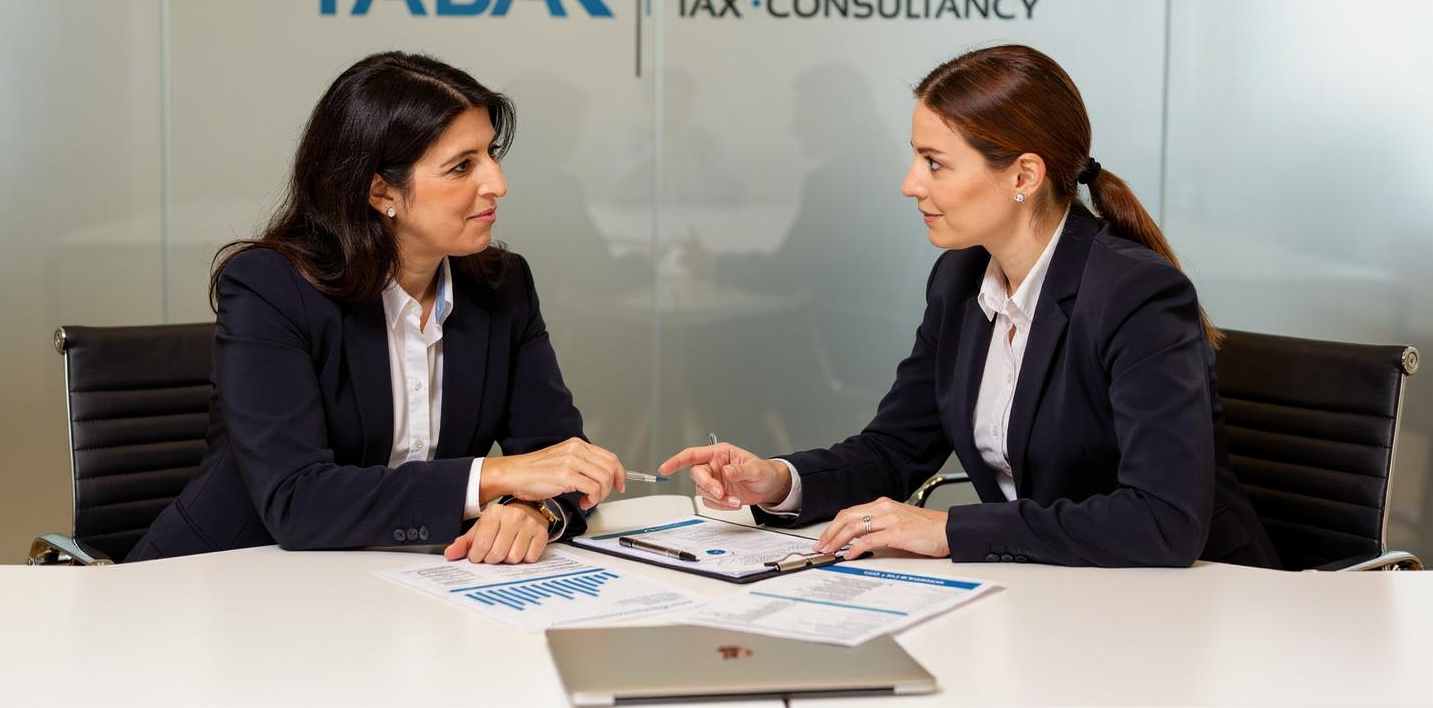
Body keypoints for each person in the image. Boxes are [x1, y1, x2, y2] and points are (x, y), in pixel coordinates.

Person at [661, 45, 1279, 569]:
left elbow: (1162, 520)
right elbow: (895, 449)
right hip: (1047, 593)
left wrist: (950, 530)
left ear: (1023, 176)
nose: (910, 183)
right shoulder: (960, 280)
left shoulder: (1136, 294)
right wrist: (778, 481)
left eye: (934, 163)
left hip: (1192, 604)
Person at [127, 52, 626, 564]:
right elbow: (297, 500)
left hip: (399, 583)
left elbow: (562, 458)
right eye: (462, 166)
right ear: (380, 189)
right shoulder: (270, 288)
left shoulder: (503, 286)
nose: (498, 183)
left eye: (491, 153)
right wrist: (496, 476)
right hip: (225, 576)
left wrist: (533, 509)